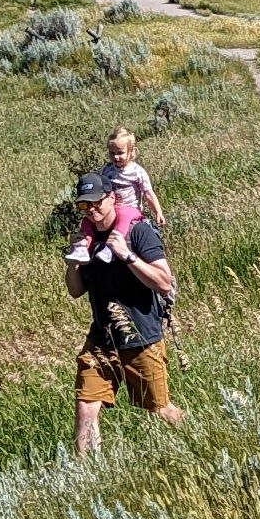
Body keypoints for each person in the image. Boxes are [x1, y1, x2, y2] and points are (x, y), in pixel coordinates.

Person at [67, 166, 183, 448]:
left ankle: (199, 438)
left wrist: (127, 256)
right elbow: (76, 290)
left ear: (111, 198)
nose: (91, 209)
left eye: (96, 201)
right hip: (101, 339)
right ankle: (86, 474)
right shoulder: (87, 240)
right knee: (86, 406)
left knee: (159, 408)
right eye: (84, 204)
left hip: (141, 338)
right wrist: (72, 265)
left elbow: (164, 282)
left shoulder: (138, 232)